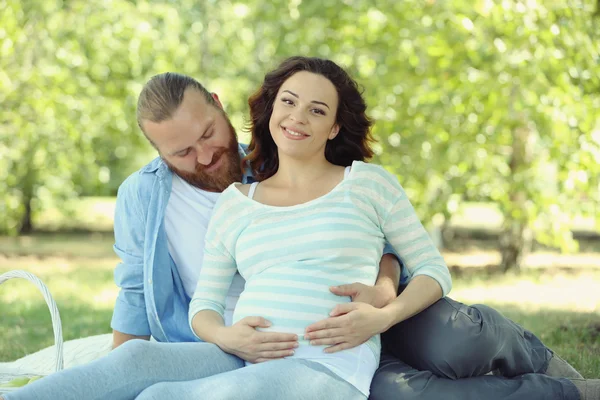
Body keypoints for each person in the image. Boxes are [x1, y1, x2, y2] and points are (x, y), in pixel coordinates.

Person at [3, 57, 597, 400]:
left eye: (209, 135)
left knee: (449, 352)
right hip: (241, 350)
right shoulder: (200, 200)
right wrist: (223, 340)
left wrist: (384, 301)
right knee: (143, 382)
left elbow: (401, 251)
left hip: (342, 341)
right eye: (182, 152)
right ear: (157, 151)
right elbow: (163, 304)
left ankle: (547, 372)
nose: (206, 157)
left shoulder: (313, 164)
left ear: (221, 105)